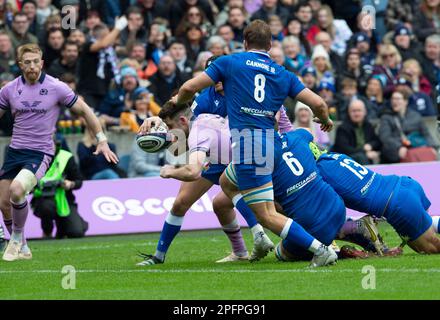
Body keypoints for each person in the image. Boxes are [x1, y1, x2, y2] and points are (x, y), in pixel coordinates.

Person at [172, 20, 336, 267]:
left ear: (245, 42)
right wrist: (324, 120)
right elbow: (320, 104)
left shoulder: (229, 62)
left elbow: (188, 87)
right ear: (270, 45)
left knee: (268, 215)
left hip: (249, 145)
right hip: (271, 144)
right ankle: (257, 241)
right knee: (227, 182)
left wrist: (177, 103)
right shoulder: (283, 73)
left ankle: (320, 249)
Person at [0, 43, 117, 261]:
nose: (32, 66)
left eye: (36, 61)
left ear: (42, 63)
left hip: (40, 152)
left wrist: (102, 140)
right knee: (4, 203)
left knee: (17, 190)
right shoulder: (9, 89)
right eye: (28, 62)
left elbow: (84, 110)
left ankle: (15, 239)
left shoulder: (56, 87)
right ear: (20, 65)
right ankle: (24, 247)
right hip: (15, 151)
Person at [313, 149, 440, 254]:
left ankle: (357, 229)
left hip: (397, 204)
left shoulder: (317, 174)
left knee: (431, 249)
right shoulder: (335, 156)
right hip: (406, 184)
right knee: (425, 226)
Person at [31, 137, 88, 239]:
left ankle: (68, 227)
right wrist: (31, 187)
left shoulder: (66, 157)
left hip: (65, 199)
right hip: (42, 199)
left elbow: (79, 181)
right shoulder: (34, 159)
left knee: (76, 232)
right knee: (47, 207)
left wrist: (70, 184)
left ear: (55, 144)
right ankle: (47, 231)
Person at [379, 91, 438, 163]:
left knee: (428, 154)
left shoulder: (415, 116)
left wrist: (432, 147)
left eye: (397, 99)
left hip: (415, 146)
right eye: (393, 99)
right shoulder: (386, 117)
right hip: (395, 150)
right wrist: (399, 147)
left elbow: (426, 133)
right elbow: (385, 137)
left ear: (405, 102)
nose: (394, 101)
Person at [332, 99, 381, 165]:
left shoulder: (368, 125)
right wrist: (364, 151)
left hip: (364, 155)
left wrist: (370, 145)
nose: (357, 114)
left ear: (365, 112)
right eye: (354, 111)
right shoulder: (343, 128)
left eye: (359, 110)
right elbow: (344, 149)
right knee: (361, 157)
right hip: (347, 160)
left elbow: (377, 141)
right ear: (349, 113)